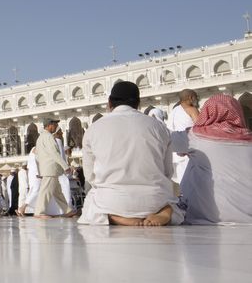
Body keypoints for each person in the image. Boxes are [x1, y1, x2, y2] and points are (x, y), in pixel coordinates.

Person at [79, 81, 184, 226]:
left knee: (91, 202)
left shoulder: (93, 129)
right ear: (138, 103)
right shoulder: (159, 127)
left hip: (112, 202)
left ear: (109, 103)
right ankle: (166, 212)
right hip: (154, 201)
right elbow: (167, 171)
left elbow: (90, 176)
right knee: (173, 202)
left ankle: (117, 217)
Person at [177, 94, 252, 224]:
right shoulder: (247, 139)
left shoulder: (195, 136)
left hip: (208, 217)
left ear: (207, 112)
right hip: (248, 216)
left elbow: (160, 140)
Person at [33, 119, 75, 219]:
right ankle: (39, 212)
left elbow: (37, 156)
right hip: (50, 168)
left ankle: (67, 210)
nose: (56, 127)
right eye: (55, 125)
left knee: (57, 192)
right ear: (50, 125)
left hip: (47, 168)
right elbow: (54, 153)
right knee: (46, 191)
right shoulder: (48, 136)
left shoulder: (40, 138)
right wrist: (65, 166)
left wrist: (40, 170)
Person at [168, 89, 200, 189]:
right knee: (195, 183)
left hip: (177, 151)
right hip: (191, 151)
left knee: (183, 182)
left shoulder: (173, 111)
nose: (197, 100)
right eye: (196, 97)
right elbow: (200, 128)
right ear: (191, 98)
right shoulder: (192, 109)